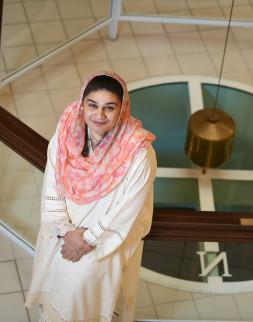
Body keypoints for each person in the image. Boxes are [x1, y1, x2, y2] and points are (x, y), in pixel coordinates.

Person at [25, 71, 156, 322]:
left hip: (100, 242)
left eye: (109, 108)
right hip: (63, 234)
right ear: (82, 104)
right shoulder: (65, 134)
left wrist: (85, 239)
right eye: (92, 105)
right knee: (54, 286)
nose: (99, 115)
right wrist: (65, 232)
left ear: (122, 109)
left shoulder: (138, 152)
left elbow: (127, 209)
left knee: (78, 291)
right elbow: (51, 187)